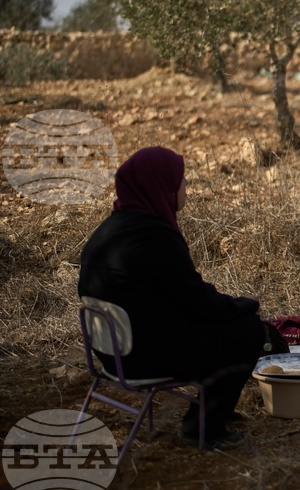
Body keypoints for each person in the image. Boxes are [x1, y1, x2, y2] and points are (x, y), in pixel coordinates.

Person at [78, 146, 267, 449]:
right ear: (161, 184)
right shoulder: (154, 237)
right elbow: (198, 301)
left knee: (225, 327)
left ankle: (215, 407)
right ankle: (203, 425)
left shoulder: (109, 229)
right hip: (143, 358)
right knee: (249, 331)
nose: (186, 185)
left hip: (110, 354)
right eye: (180, 179)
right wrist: (245, 306)